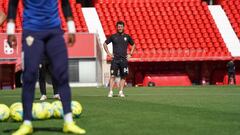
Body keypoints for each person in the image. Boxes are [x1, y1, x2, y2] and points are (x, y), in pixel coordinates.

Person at [7, 0, 86, 134]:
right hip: (32, 32)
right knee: (29, 75)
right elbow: (13, 3)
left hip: (54, 32)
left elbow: (65, 3)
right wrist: (10, 30)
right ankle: (27, 123)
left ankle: (68, 122)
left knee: (62, 74)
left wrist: (71, 27)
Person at [103, 21, 136, 97]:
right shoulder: (113, 36)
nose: (120, 28)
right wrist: (108, 53)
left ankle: (121, 91)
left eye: (121, 26)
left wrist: (130, 54)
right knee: (112, 76)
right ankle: (110, 92)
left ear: (123, 27)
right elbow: (105, 44)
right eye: (118, 27)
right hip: (115, 60)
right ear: (117, 27)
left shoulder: (127, 37)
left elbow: (133, 44)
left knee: (123, 76)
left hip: (124, 60)